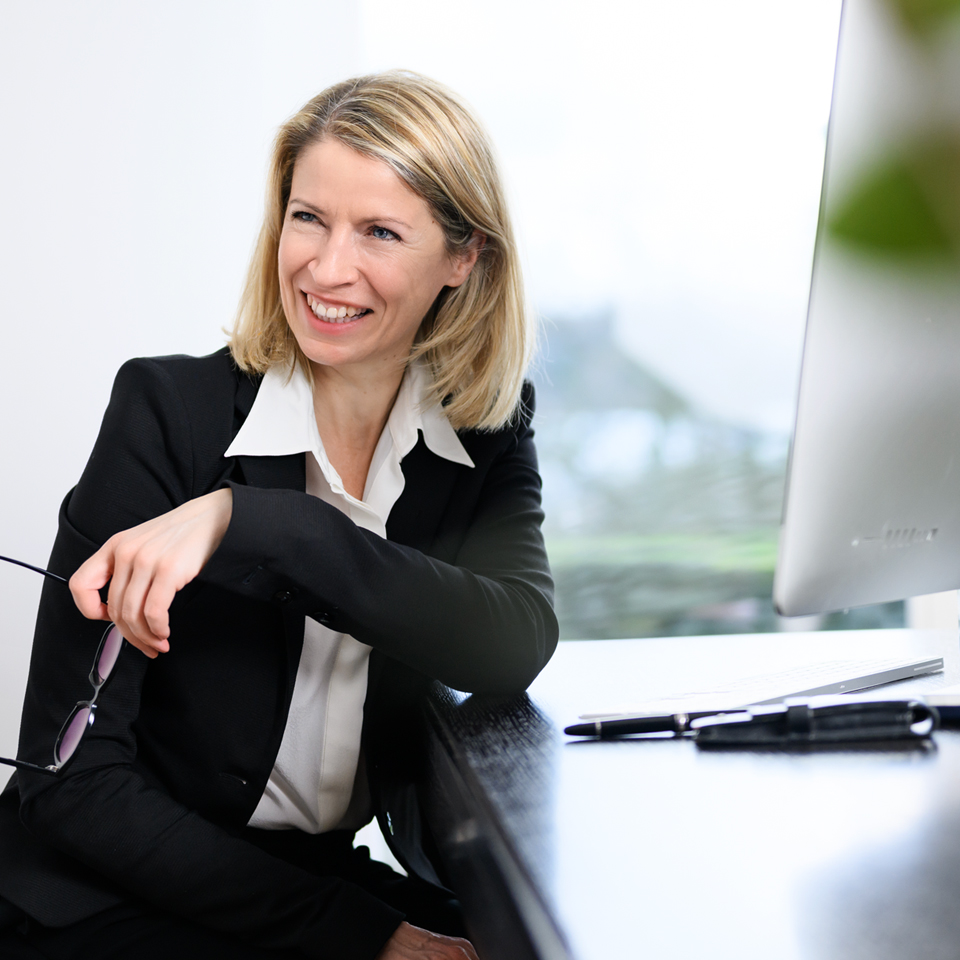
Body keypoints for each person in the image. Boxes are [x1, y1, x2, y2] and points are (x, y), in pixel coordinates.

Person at [0, 71, 557, 959]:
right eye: (309, 218)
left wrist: (261, 524)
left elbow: (512, 639)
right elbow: (73, 786)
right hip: (104, 897)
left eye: (380, 231)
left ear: (465, 259)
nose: (327, 269)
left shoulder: (487, 426)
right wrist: (367, 938)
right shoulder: (165, 410)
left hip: (296, 877)